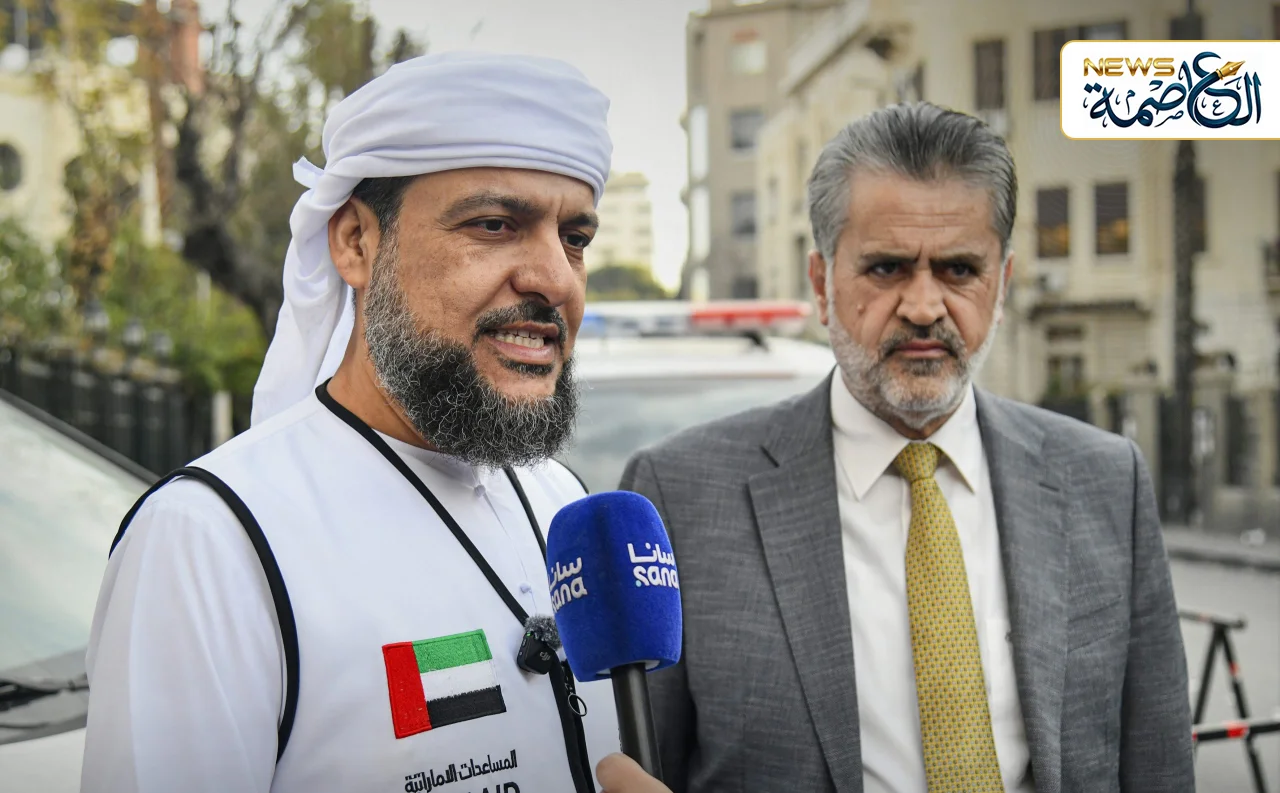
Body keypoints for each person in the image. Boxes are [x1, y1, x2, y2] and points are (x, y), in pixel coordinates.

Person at [82, 52, 621, 793]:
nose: (556, 279)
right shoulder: (209, 541)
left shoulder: (565, 505)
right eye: (496, 224)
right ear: (356, 242)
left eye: (575, 239)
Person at [621, 102, 1194, 793]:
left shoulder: (1105, 481)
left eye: (959, 270)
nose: (924, 306)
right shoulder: (681, 499)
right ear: (822, 284)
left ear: (1003, 284)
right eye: (887, 268)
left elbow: (1159, 765)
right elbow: (639, 765)